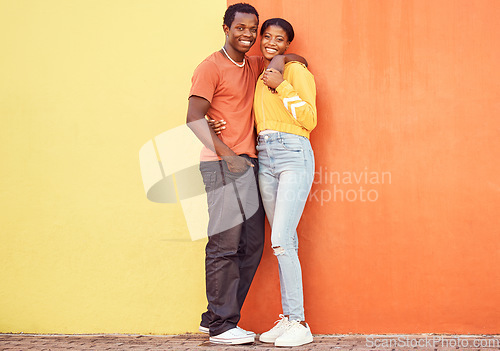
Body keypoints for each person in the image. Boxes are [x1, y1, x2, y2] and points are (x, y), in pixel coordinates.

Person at [186, 4, 307, 345]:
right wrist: (228, 155)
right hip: (223, 164)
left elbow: (298, 58)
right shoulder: (210, 67)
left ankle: (215, 317)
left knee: (252, 244)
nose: (248, 35)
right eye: (241, 28)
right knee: (224, 244)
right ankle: (223, 327)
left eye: (252, 30)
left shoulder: (254, 63)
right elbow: (194, 117)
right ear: (226, 28)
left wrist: (280, 61)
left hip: (250, 164)